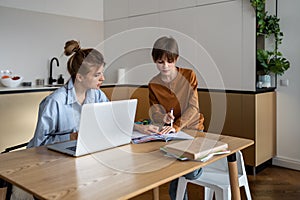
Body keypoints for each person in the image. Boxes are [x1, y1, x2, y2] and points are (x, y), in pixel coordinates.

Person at [148, 36, 204, 200]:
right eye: (160, 62)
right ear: (154, 60)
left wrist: (177, 125)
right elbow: (154, 112)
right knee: (173, 172)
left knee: (188, 173)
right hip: (170, 133)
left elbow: (194, 108)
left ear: (177, 59)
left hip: (192, 129)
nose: (165, 66)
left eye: (169, 61)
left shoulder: (189, 75)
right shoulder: (153, 84)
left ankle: (200, 163)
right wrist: (163, 117)